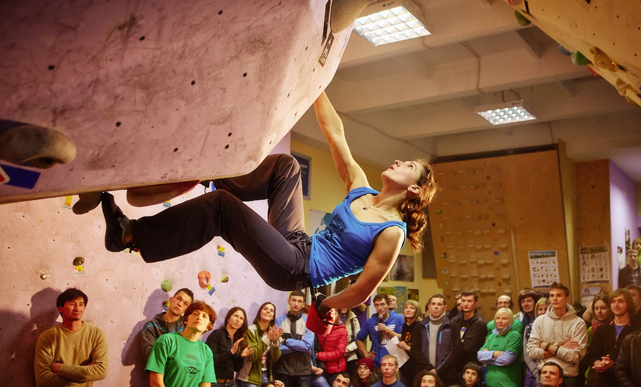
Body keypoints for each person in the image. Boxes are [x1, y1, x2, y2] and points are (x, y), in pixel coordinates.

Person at [99, 91, 437, 311]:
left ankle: (131, 235)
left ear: (415, 191)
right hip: (296, 242)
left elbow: (362, 289)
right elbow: (335, 132)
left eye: (409, 166)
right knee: (286, 166)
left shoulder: (392, 232)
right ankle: (209, 175)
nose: (398, 161)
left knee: (222, 206)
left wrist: (323, 306)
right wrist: (316, 83)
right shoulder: (361, 188)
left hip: (294, 268)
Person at [526, 282, 588, 387]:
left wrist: (547, 346)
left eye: (559, 295)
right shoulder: (540, 321)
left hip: (568, 379)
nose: (554, 298)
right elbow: (531, 352)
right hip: (544, 378)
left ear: (567, 298)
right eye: (552, 295)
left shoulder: (578, 323)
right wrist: (562, 348)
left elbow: (576, 356)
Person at [585, 289, 637, 387]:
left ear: (628, 304)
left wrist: (614, 364)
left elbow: (638, 360)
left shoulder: (637, 330)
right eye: (613, 301)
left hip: (626, 386)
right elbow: (592, 355)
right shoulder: (603, 329)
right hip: (604, 385)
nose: (616, 304)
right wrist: (600, 364)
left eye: (620, 301)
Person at [205, 306, 252, 387]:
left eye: (241, 318)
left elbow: (236, 368)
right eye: (236, 316)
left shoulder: (238, 340)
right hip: (215, 384)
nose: (238, 320)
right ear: (228, 318)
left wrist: (241, 357)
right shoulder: (217, 335)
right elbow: (209, 360)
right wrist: (230, 353)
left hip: (230, 386)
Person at [237, 302, 283, 387]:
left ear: (273, 316)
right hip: (250, 379)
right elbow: (252, 356)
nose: (268, 311)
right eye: (265, 309)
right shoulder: (251, 330)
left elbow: (275, 358)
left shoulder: (272, 332)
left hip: (266, 377)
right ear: (260, 312)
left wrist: (275, 341)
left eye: (271, 310)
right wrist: (267, 339)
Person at [276, 290, 315, 387]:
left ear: (303, 304)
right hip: (283, 370)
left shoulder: (308, 322)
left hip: (303, 372)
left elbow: (306, 346)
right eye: (293, 300)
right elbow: (277, 348)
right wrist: (298, 346)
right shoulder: (279, 321)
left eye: (299, 301)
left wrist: (285, 340)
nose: (296, 304)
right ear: (289, 301)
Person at [478, 307, 523, 387]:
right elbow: (479, 356)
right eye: (498, 318)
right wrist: (496, 354)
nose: (500, 321)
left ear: (510, 320)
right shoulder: (491, 336)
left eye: (504, 318)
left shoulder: (515, 336)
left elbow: (506, 360)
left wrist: (488, 357)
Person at [141, 288, 193, 360]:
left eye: (185, 303)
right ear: (171, 299)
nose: (180, 304)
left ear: (186, 310)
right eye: (179, 299)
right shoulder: (151, 326)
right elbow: (149, 356)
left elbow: (187, 357)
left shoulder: (187, 328)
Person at [356, 294, 405, 369]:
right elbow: (358, 339)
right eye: (377, 305)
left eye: (382, 304)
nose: (380, 308)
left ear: (388, 304)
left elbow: (404, 338)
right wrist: (365, 353)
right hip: (377, 363)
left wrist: (388, 331)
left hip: (395, 362)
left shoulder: (399, 318)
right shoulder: (370, 322)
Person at [449, 290, 487, 376]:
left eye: (469, 301)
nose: (465, 304)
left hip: (471, 368)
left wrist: (456, 342)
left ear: (475, 304)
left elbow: (467, 347)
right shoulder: (454, 320)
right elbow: (447, 343)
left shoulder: (479, 324)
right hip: (454, 367)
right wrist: (461, 341)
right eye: (463, 300)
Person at [583, 294, 613, 387]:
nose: (599, 311)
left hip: (611, 379)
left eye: (603, 308)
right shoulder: (591, 328)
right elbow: (587, 353)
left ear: (610, 308)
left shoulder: (615, 327)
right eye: (596, 308)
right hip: (593, 377)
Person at [316, 308, 349, 385]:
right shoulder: (319, 327)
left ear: (339, 316)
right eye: (329, 313)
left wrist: (319, 355)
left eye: (335, 313)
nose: (331, 315)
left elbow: (339, 352)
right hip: (320, 368)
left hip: (335, 371)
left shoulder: (342, 331)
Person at [523, 297, 549, 387]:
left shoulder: (555, 327)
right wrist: (536, 373)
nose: (543, 312)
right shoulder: (529, 328)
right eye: (540, 309)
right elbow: (526, 354)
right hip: (533, 372)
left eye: (546, 309)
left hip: (550, 371)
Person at [398, 299, 423, 387]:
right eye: (406, 308)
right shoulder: (405, 326)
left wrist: (407, 347)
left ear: (417, 311)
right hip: (405, 363)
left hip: (416, 365)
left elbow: (422, 347)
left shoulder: (420, 326)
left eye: (412, 308)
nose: (408, 310)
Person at [339, 307, 362, 377]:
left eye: (346, 304)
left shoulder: (353, 318)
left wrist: (348, 349)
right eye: (341, 304)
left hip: (350, 355)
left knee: (351, 377)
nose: (344, 306)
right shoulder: (333, 317)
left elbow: (359, 338)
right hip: (336, 355)